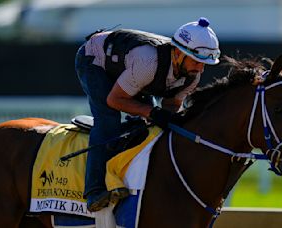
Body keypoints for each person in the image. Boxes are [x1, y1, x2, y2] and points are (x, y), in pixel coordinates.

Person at [75, 17, 221, 212]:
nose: (200, 69)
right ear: (178, 53)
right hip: (95, 59)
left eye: (205, 63)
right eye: (196, 61)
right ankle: (94, 190)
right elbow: (115, 100)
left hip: (129, 68)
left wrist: (162, 118)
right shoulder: (148, 62)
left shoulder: (192, 77)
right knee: (108, 120)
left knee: (147, 127)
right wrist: (150, 111)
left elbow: (170, 108)